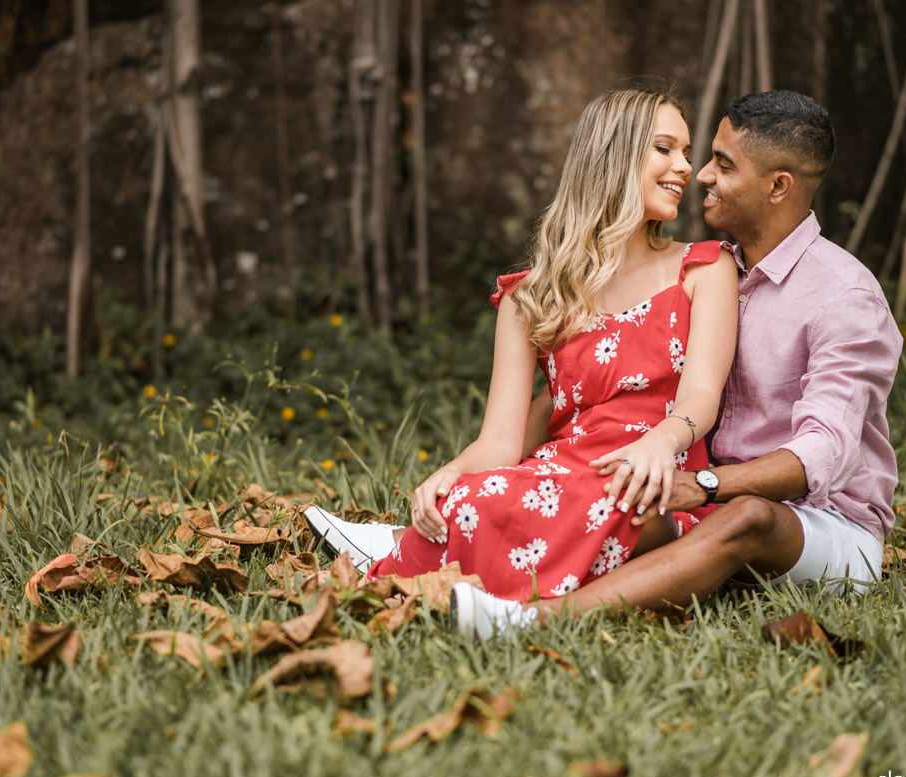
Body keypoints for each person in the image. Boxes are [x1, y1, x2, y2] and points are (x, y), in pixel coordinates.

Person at [449, 89, 904, 639]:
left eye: (722, 163)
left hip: (821, 525)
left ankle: (533, 621)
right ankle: (424, 543)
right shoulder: (713, 269)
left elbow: (821, 457)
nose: (700, 174)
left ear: (778, 186)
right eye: (703, 155)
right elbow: (592, 390)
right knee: (606, 497)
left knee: (749, 517)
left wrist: (704, 484)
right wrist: (484, 471)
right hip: (704, 499)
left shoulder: (842, 296)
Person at [304, 86, 739, 600]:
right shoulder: (532, 295)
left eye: (686, 153)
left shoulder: (704, 268)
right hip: (556, 474)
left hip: (649, 485)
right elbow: (500, 443)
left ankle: (402, 560)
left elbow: (701, 399)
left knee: (590, 497)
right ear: (613, 155)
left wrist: (661, 443)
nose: (686, 167)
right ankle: (439, 569)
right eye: (665, 149)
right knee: (468, 494)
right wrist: (448, 474)